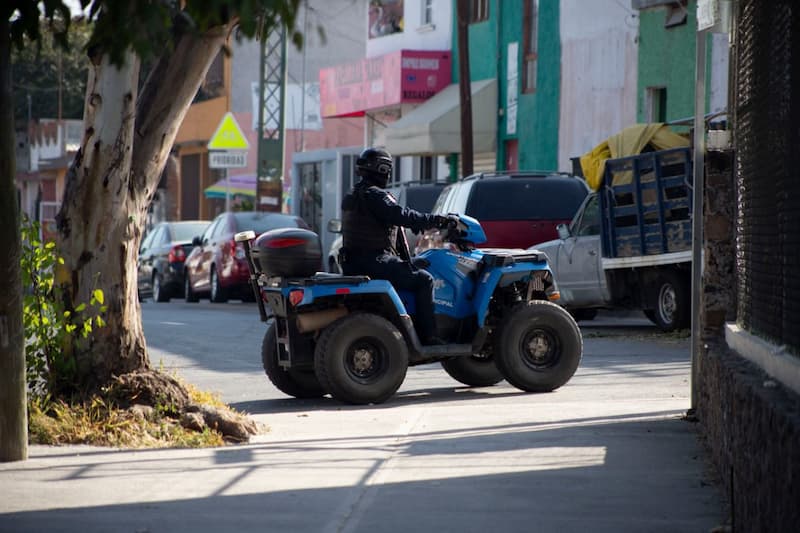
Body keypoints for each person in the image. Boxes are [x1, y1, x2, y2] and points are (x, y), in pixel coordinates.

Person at [340, 147, 457, 345]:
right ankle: (428, 337)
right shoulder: (375, 196)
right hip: (375, 261)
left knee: (418, 265)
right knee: (424, 280)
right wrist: (438, 220)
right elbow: (403, 216)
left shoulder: (352, 195)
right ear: (382, 170)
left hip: (355, 262)